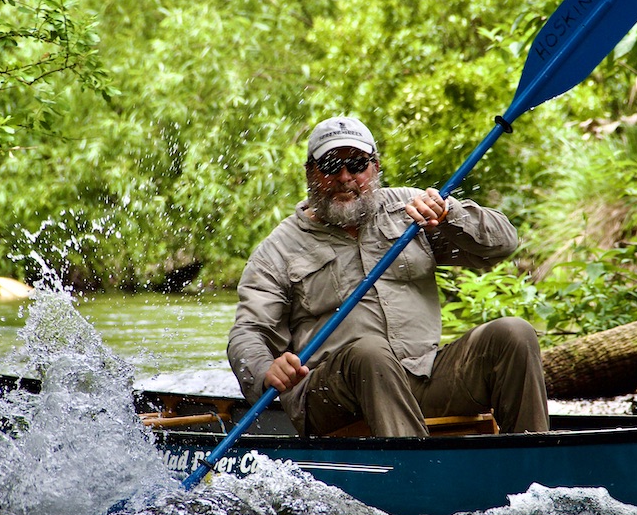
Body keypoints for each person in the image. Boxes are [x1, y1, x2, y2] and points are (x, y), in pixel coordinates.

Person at [227, 115, 550, 437]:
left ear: (375, 167)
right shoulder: (278, 248)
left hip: (421, 377)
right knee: (369, 352)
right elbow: (248, 332)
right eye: (329, 166)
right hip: (332, 395)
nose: (344, 177)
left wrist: (449, 213)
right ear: (310, 172)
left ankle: (532, 468)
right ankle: (416, 477)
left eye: (356, 164)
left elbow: (502, 244)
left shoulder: (412, 209)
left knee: (513, 333)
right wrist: (265, 370)